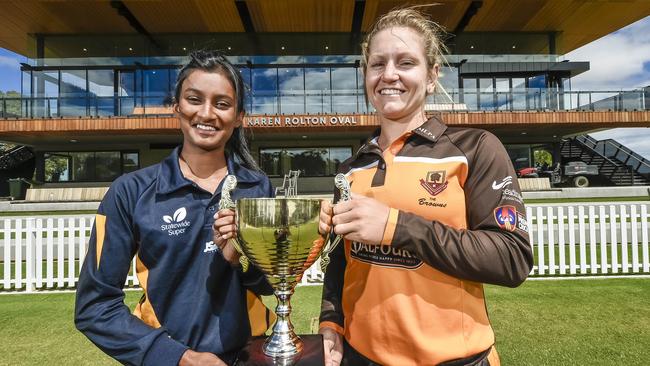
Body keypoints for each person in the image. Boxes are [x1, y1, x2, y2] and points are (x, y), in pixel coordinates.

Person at [317, 8, 533, 366]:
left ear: (432, 76)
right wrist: (331, 322)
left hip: (456, 359)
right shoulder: (351, 168)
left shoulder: (474, 148)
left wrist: (397, 226)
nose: (389, 75)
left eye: (405, 63)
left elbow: (511, 258)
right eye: (377, 64)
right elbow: (340, 261)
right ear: (365, 74)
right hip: (360, 356)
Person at [75, 50, 274, 366]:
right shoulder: (130, 192)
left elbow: (268, 284)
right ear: (177, 107)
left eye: (222, 104)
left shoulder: (257, 188)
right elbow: (94, 307)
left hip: (248, 355)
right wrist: (179, 357)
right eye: (195, 99)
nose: (207, 113)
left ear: (238, 117)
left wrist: (241, 258)